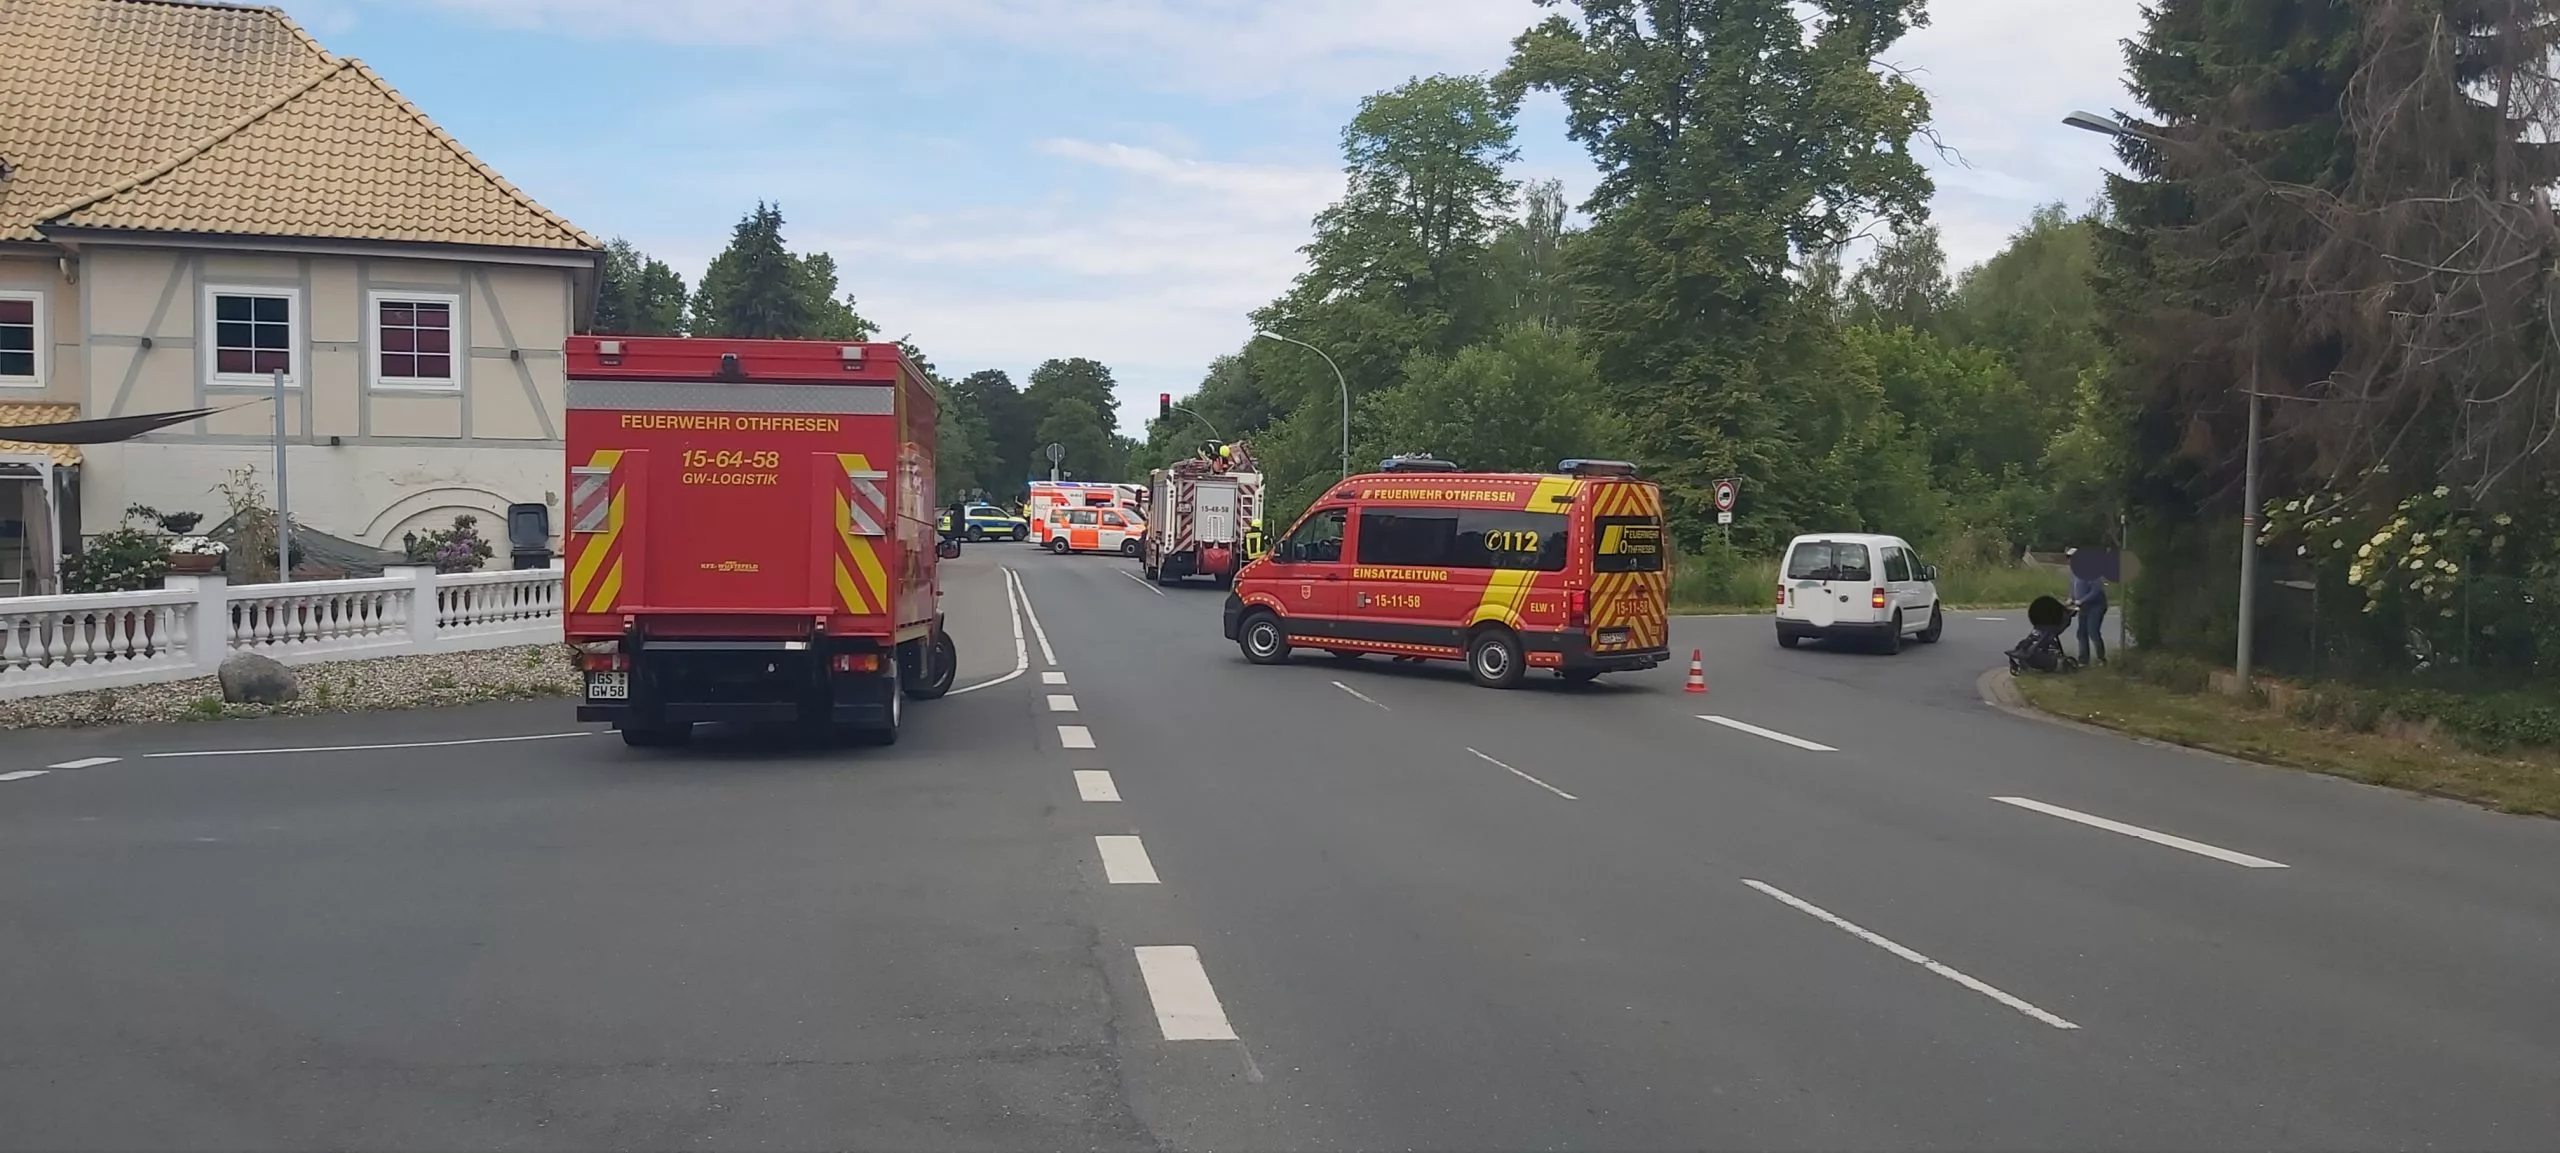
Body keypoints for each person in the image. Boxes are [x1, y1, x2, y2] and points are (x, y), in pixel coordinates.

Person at [2066, 547, 2108, 667]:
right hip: (2083, 607)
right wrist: (2071, 598)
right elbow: (2073, 587)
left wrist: (2082, 600)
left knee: (2093, 632)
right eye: (2069, 558)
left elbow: (2096, 590)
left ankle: (2101, 659)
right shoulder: (2074, 573)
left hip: (2096, 605)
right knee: (2081, 633)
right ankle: (2083, 660)